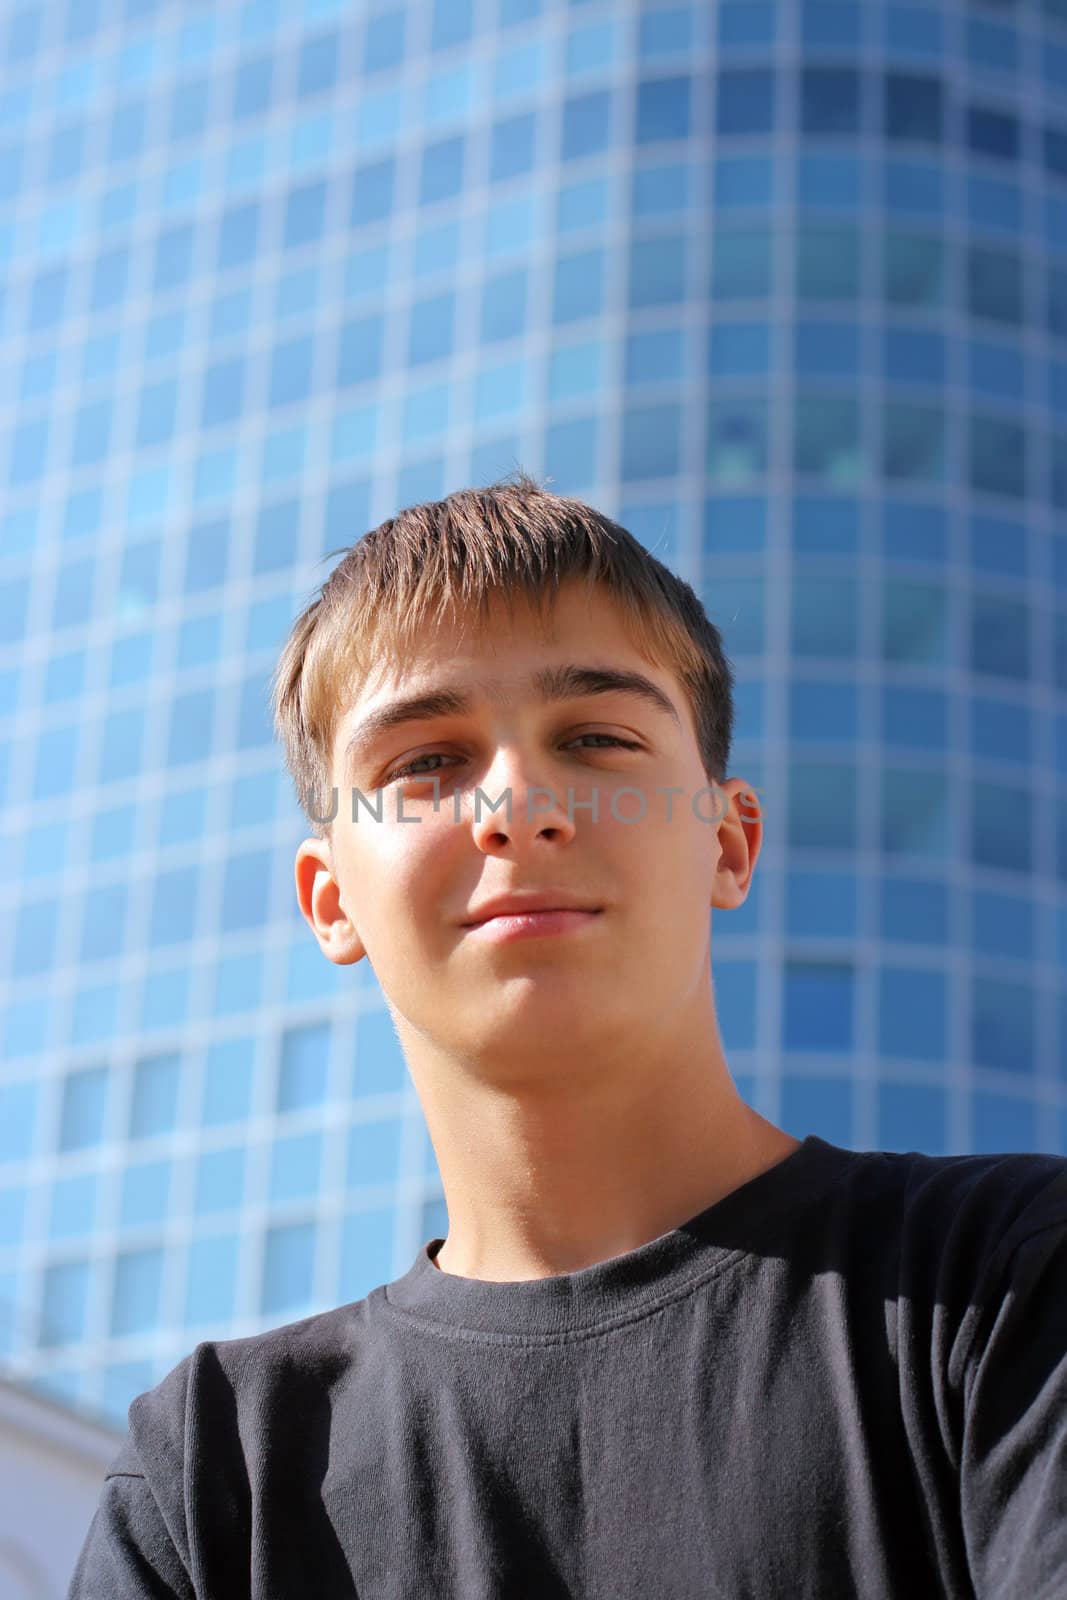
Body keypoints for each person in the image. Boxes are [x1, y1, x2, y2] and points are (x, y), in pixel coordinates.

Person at [70, 475, 1067, 1598]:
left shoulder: (1007, 1286)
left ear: (730, 845)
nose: (518, 802)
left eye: (595, 736)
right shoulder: (213, 1472)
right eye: (423, 763)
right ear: (329, 899)